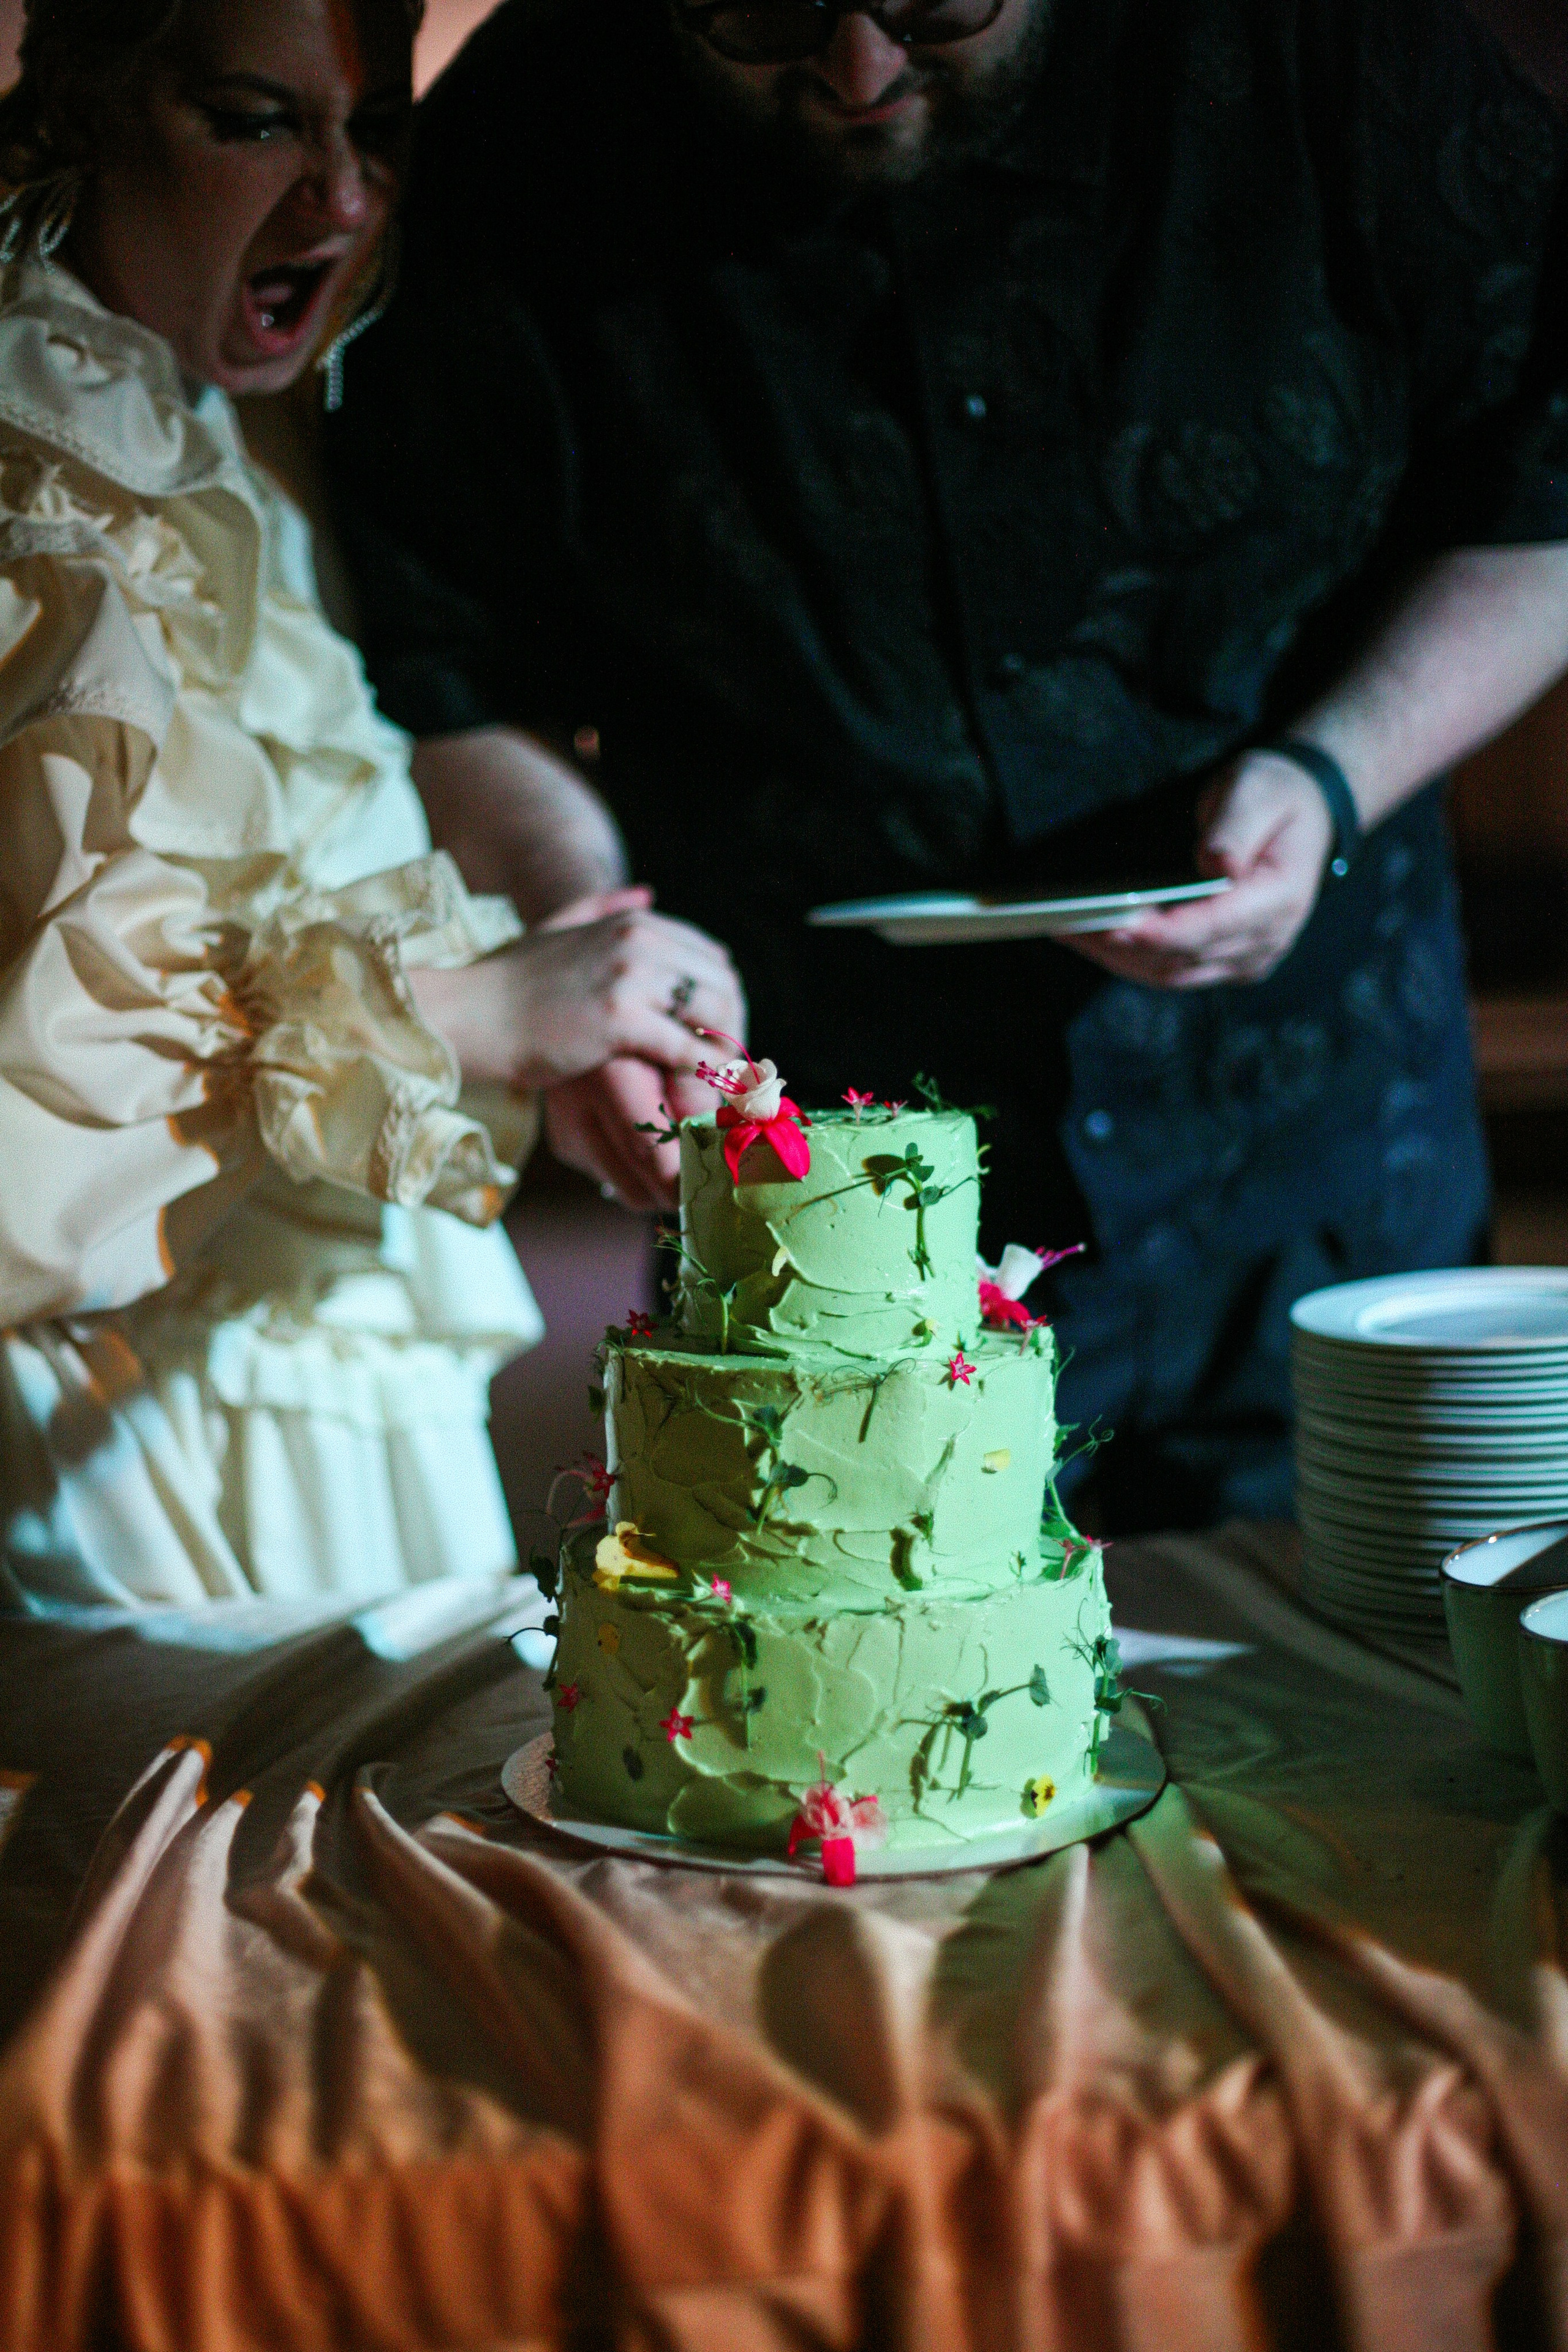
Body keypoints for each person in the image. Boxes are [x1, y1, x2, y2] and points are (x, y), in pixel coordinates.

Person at [325, 0, 1568, 1532]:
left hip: (1314, 1124)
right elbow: (455, 665)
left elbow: (1543, 488)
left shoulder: (1335, 57)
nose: (858, 71)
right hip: (820, 1162)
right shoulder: (524, 138)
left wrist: (1331, 775)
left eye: (938, 7)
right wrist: (595, 934)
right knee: (861, 1712)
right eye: (759, 16)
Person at [0, 0, 743, 1610]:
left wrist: (541, 1035)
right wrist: (467, 1012)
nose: (343, 197)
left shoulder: (248, 449)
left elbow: (270, 935)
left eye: (375, 135)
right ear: (92, 117)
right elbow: (37, 1102)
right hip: (125, 1441)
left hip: (333, 1392)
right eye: (255, 120)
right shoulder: (34, 490)